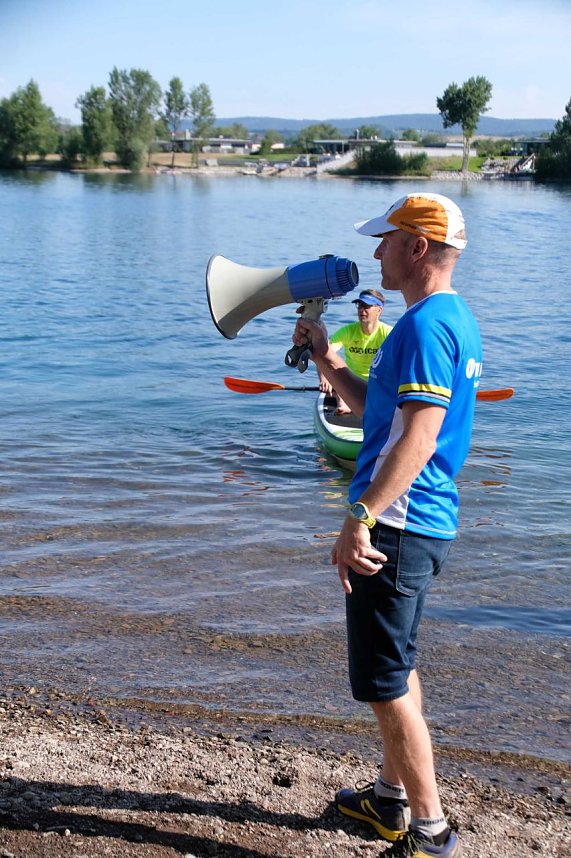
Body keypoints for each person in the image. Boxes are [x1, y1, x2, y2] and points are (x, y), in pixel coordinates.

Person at [292, 192, 482, 858]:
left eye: (387, 241)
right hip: (420, 522)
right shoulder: (445, 318)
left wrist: (360, 515)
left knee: (383, 684)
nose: (376, 253)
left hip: (396, 524)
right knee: (398, 670)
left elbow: (420, 438)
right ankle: (389, 798)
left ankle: (429, 833)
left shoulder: (426, 328)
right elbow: (382, 412)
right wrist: (327, 359)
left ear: (417, 247)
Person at [319, 288, 392, 414]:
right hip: (352, 383)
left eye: (367, 306)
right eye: (359, 305)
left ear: (379, 310)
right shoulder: (347, 331)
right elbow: (324, 353)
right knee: (335, 371)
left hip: (377, 383)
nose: (362, 310)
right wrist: (324, 377)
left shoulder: (388, 333)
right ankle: (344, 403)